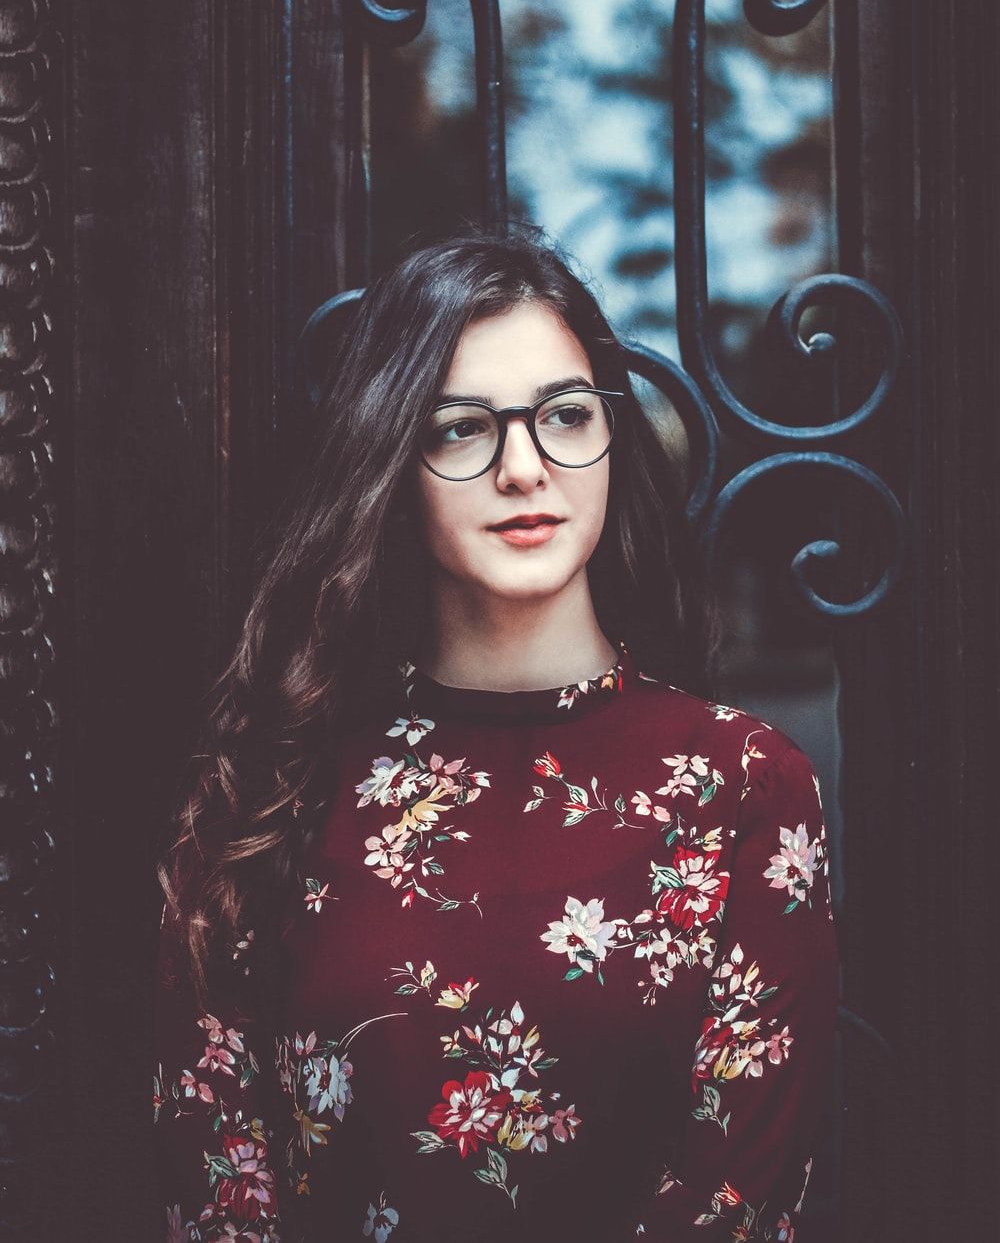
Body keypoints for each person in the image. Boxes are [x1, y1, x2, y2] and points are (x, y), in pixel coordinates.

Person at [153, 224, 840, 1243]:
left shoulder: (741, 786)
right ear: (395, 459)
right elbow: (223, 1186)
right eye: (462, 428)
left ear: (609, 438)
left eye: (564, 415)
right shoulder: (274, 788)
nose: (524, 467)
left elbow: (737, 1196)